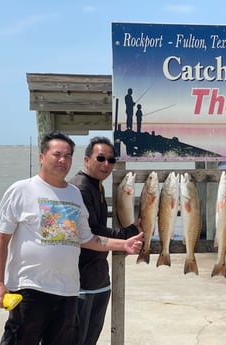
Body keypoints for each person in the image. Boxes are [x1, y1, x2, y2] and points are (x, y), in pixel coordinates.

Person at [0, 130, 143, 345]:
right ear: (42, 157)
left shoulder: (73, 194)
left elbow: (88, 238)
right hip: (30, 289)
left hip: (68, 291)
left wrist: (124, 243)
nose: (63, 160)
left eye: (68, 155)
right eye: (57, 154)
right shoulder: (21, 190)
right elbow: (1, 238)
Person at [69, 136, 141, 345]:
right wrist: (128, 232)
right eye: (100, 158)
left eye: (111, 160)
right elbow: (91, 231)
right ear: (86, 160)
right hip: (81, 284)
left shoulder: (96, 185)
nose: (106, 164)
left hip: (98, 280)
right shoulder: (80, 188)